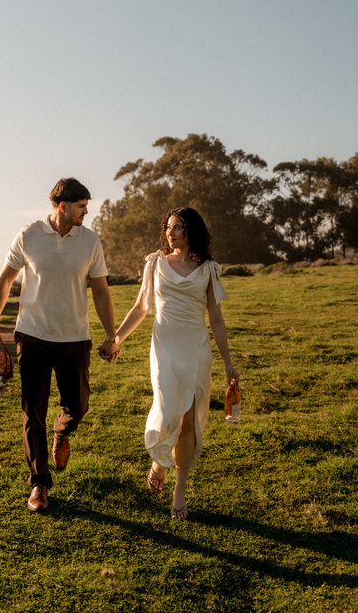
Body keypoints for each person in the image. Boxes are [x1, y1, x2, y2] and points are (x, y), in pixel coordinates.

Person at [0, 177, 119, 514]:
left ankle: (63, 431)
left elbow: (100, 290)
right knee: (33, 414)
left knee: (78, 405)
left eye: (86, 207)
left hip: (75, 338)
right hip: (33, 336)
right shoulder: (28, 236)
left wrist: (110, 334)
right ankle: (39, 484)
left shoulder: (90, 242)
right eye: (81, 207)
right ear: (63, 207)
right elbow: (6, 280)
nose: (86, 213)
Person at [112, 206, 239, 519]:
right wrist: (115, 339)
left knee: (188, 421)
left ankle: (179, 488)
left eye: (179, 227)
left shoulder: (208, 268)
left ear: (191, 231)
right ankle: (160, 458)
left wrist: (228, 363)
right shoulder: (155, 264)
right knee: (168, 409)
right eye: (168, 227)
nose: (171, 233)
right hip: (165, 348)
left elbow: (216, 319)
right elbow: (142, 307)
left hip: (195, 350)